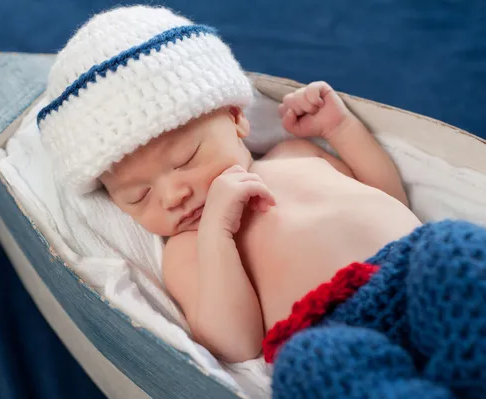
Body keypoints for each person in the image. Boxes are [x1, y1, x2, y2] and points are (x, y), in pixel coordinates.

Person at [38, 5, 486, 398]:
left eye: (186, 158)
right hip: (334, 327)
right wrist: (218, 232)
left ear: (236, 120)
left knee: (453, 249)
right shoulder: (189, 246)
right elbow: (234, 343)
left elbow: (386, 196)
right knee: (311, 366)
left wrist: (341, 131)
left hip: (407, 266)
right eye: (140, 196)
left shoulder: (292, 154)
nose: (174, 194)